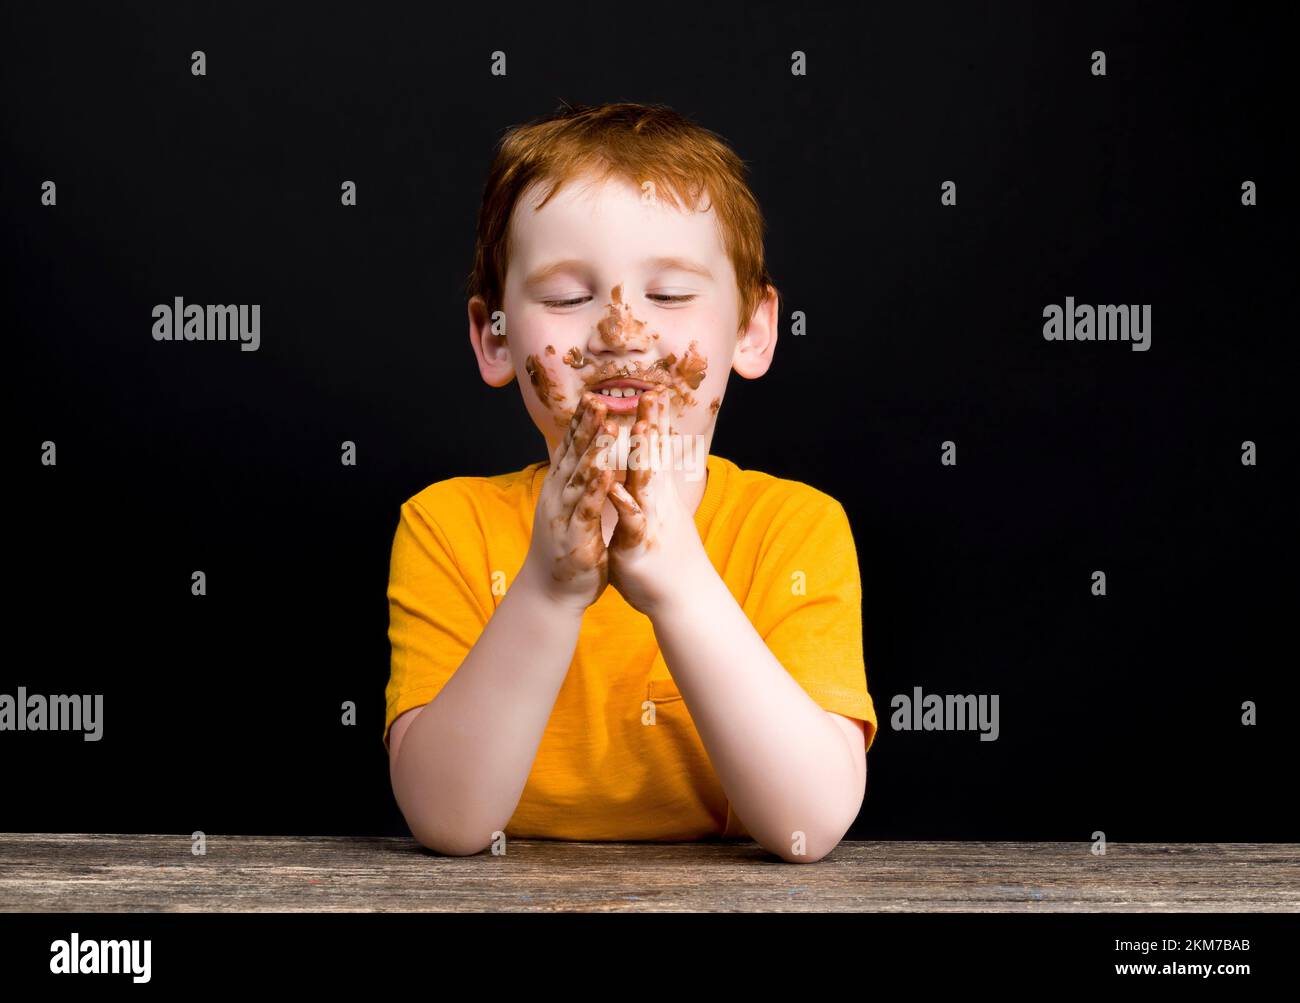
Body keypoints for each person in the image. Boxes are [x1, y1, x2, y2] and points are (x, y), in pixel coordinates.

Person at [384, 102, 877, 862]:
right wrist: (548, 588)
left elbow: (809, 823)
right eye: (565, 297)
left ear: (752, 328)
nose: (621, 329)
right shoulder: (448, 524)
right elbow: (447, 822)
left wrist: (679, 582)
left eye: (671, 294)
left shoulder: (794, 528)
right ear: (495, 337)